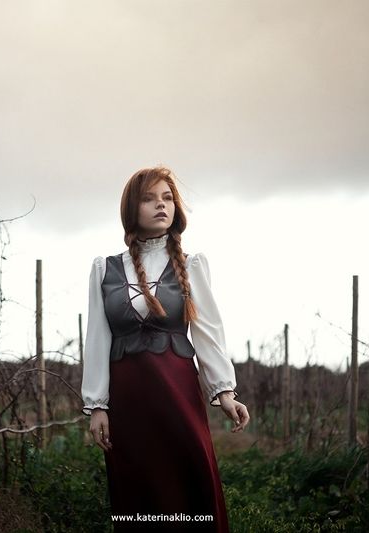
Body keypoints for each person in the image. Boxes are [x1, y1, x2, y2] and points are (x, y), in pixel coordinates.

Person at [81, 166, 250, 531]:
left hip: (178, 395)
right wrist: (97, 406)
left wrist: (224, 392)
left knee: (189, 485)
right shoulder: (104, 269)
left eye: (167, 198)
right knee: (137, 491)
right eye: (149, 198)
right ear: (131, 209)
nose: (161, 205)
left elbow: (208, 334)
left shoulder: (191, 266)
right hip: (128, 404)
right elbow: (97, 338)